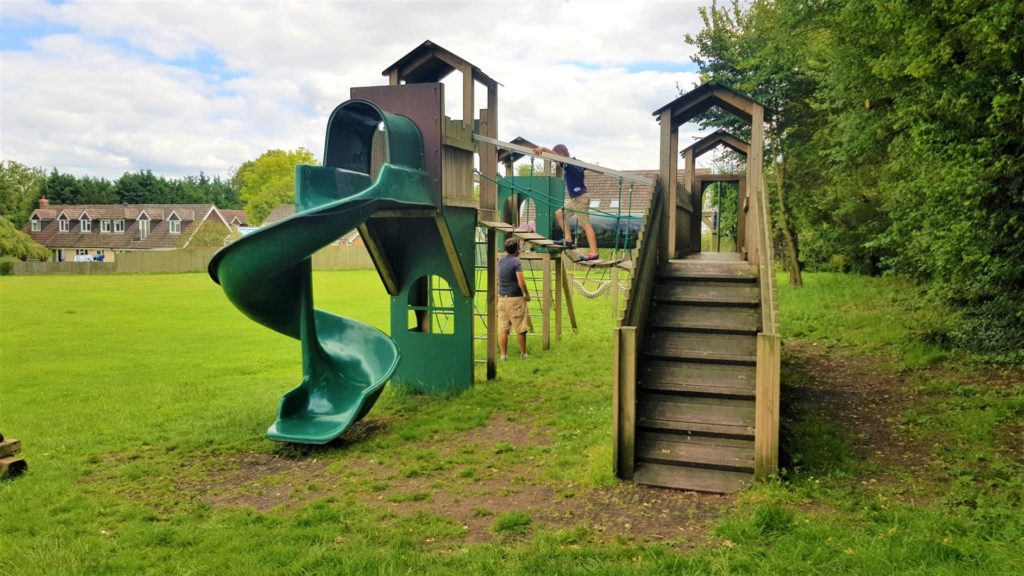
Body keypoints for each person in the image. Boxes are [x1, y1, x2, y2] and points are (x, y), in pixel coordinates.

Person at [532, 143, 599, 261]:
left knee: (585, 224)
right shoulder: (577, 162)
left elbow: (557, 157)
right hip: (574, 199)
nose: (557, 164)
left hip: (580, 198)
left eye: (557, 161)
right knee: (559, 214)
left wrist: (543, 149)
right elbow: (586, 167)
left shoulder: (568, 164)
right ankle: (568, 240)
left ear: (561, 156)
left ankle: (594, 252)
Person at [497, 238, 531, 360]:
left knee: (503, 328)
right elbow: (521, 281)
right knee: (521, 328)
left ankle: (503, 356)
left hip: (502, 298)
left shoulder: (500, 260)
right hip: (515, 299)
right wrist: (526, 294)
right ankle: (523, 354)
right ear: (517, 250)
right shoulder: (516, 262)